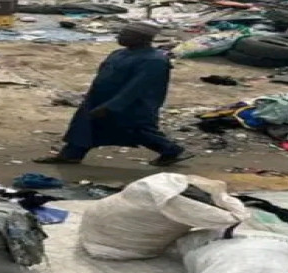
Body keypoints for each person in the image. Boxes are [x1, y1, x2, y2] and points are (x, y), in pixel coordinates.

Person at [34, 22, 188, 167]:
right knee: (85, 126)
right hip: (100, 98)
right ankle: (71, 154)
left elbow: (136, 87)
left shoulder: (154, 60)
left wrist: (112, 106)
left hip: (131, 104)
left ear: (142, 39)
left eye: (125, 35)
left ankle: (170, 150)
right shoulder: (119, 53)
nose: (119, 37)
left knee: (137, 130)